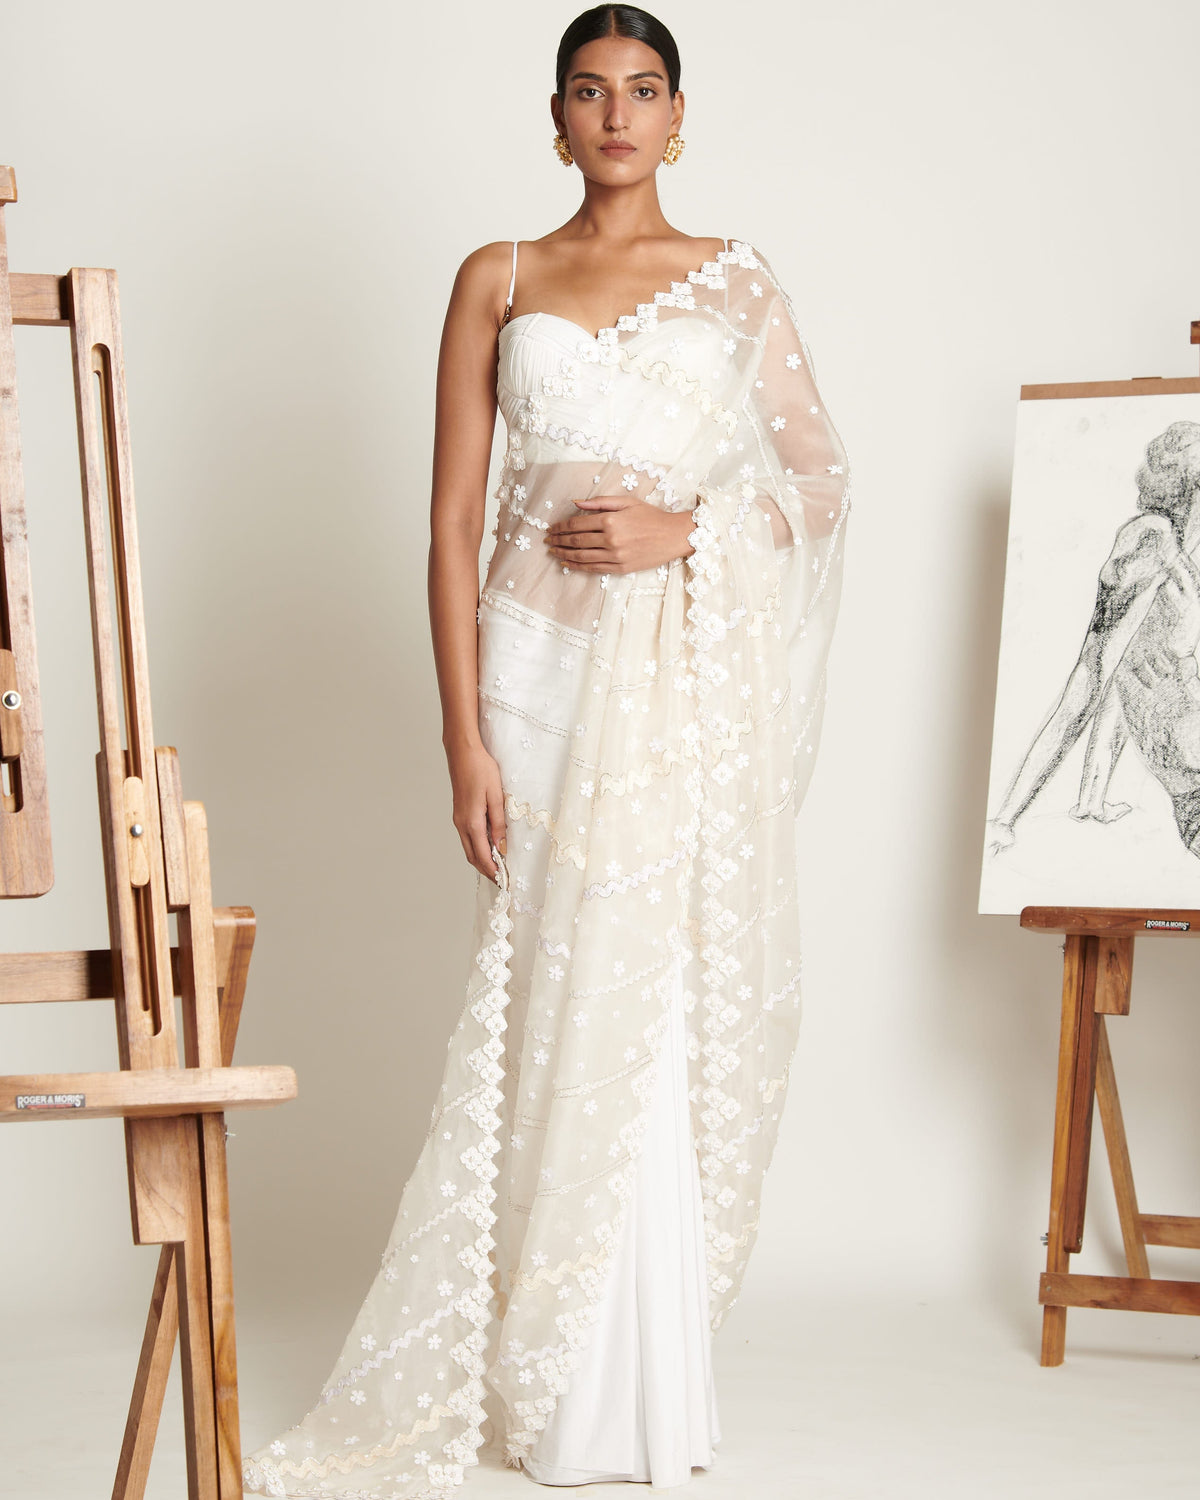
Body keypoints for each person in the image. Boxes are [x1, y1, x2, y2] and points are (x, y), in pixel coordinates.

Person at [243, 6, 850, 1495]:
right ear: (558, 116)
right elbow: (452, 522)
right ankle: (552, 1372)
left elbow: (822, 481)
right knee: (543, 999)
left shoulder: (737, 282)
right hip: (529, 673)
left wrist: (686, 528)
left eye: (644, 90)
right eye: (591, 90)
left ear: (681, 115)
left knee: (637, 995)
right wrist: (461, 737)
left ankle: (627, 1392)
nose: (618, 114)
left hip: (667, 688)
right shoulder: (497, 276)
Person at [987, 420, 1200, 856]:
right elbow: (1093, 674)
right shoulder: (1151, 539)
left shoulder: (1185, 554)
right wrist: (1005, 819)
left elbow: (1129, 680)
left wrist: (1092, 799)